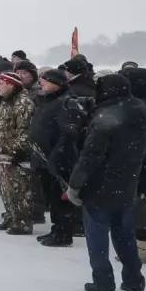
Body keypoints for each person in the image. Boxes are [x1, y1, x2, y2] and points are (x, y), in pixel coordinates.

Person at [67, 72, 146, 291]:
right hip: (128, 183)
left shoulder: (106, 116)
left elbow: (90, 156)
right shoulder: (141, 111)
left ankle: (103, 283)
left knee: (97, 237)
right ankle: (134, 281)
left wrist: (75, 185)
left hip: (100, 186)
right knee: (125, 236)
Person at [30, 68, 83, 246]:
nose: (41, 83)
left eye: (45, 80)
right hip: (44, 159)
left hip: (59, 161)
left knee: (61, 200)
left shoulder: (66, 102)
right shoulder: (46, 101)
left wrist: (56, 157)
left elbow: (68, 135)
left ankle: (63, 233)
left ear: (57, 84)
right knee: (51, 198)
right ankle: (56, 228)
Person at [0, 71, 36, 235]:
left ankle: (22, 221)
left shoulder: (23, 103)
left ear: (11, 85)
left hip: (16, 155)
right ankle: (11, 216)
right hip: (3, 154)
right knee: (6, 189)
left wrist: (14, 150)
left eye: (1, 84)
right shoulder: (4, 102)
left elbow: (25, 133)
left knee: (20, 189)